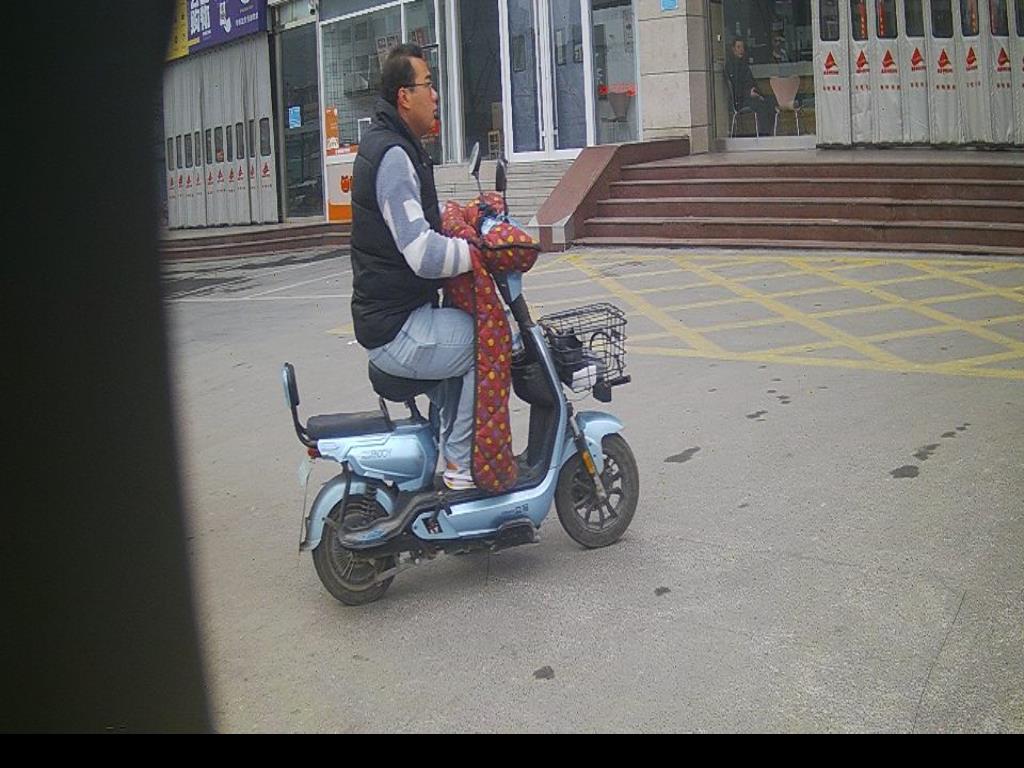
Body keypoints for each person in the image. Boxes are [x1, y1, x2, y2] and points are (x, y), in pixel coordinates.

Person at [349, 44, 477, 491]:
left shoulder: (397, 146)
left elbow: (419, 220)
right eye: (428, 85)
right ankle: (461, 465)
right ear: (405, 96)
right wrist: (476, 253)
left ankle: (449, 451)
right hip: (396, 328)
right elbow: (421, 252)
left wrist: (461, 222)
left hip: (392, 317)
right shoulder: (394, 156)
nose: (435, 95)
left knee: (463, 342)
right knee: (490, 341)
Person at [724, 37, 775, 136]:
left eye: (742, 47)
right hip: (741, 100)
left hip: (751, 96)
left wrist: (758, 93)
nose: (741, 50)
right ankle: (764, 134)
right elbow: (735, 88)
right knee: (762, 107)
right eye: (738, 47)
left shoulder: (743, 65)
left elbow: (751, 82)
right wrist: (749, 93)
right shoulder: (731, 67)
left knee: (770, 102)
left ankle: (769, 132)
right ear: (733, 49)